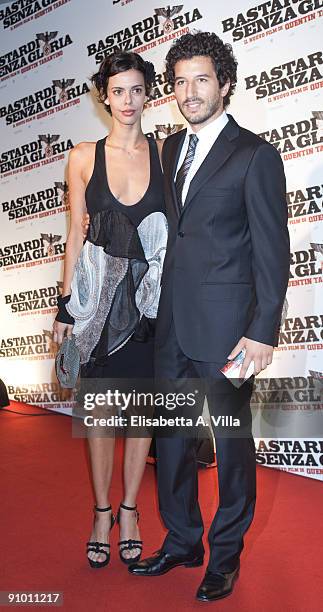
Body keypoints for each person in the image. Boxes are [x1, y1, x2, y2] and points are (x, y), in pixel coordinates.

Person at [128, 31, 290, 602]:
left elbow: (273, 249)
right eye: (180, 82)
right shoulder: (171, 149)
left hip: (228, 332)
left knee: (230, 447)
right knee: (170, 440)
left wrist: (263, 329)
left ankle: (224, 556)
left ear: (224, 84)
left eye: (202, 79)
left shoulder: (255, 155)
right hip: (171, 323)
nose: (190, 92)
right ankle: (182, 541)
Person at [52, 51, 167, 569]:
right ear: (104, 96)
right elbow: (75, 235)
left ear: (147, 94)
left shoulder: (166, 154)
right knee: (98, 418)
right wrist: (64, 308)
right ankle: (102, 513)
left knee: (140, 415)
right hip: (96, 309)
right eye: (117, 91)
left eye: (136, 90)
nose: (127, 100)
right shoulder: (82, 156)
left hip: (147, 311)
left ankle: (129, 511)